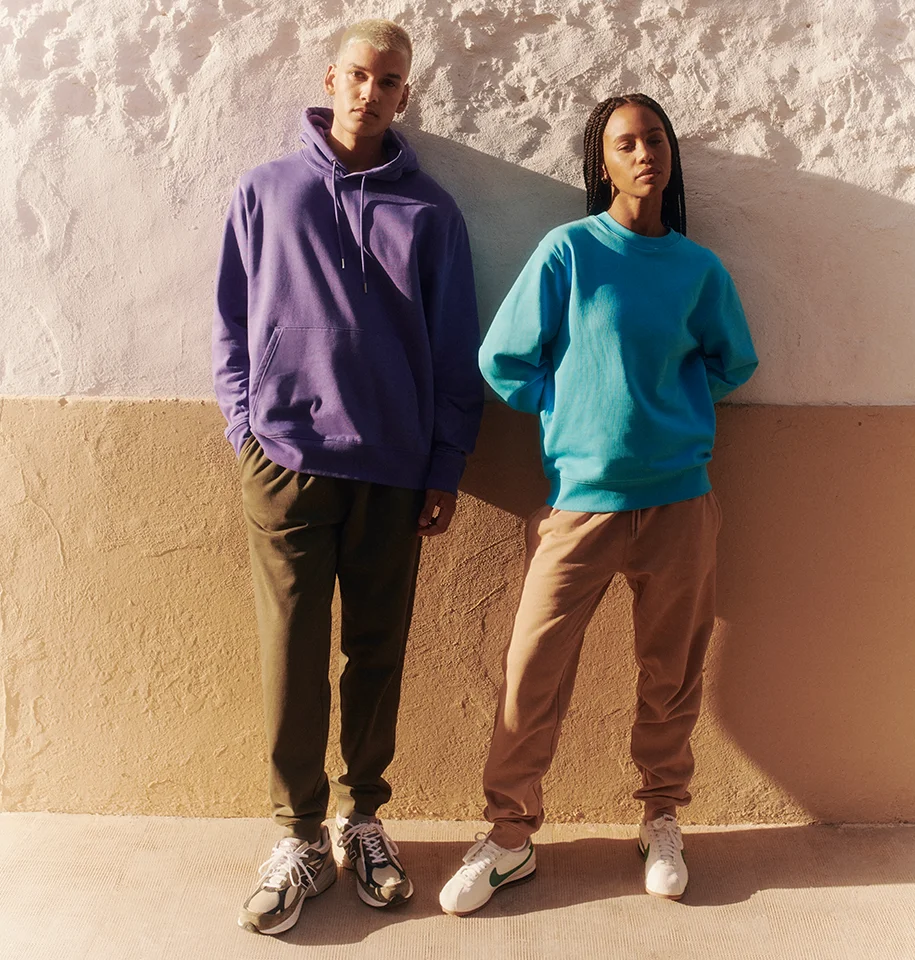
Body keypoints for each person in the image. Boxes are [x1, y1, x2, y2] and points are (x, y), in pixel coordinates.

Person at [439, 94, 758, 916]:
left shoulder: (698, 269)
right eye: (626, 143)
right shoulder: (569, 252)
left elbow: (733, 361)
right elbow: (504, 358)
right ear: (602, 162)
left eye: (655, 139)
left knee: (672, 672)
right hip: (580, 503)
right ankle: (510, 837)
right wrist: (569, 404)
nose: (645, 153)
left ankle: (660, 818)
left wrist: (675, 411)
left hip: (680, 501)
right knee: (532, 670)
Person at [212, 19, 484, 934]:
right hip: (285, 464)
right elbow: (229, 322)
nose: (372, 92)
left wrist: (444, 463)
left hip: (395, 470)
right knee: (290, 651)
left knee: (376, 650)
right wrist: (246, 430)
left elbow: (454, 351)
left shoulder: (432, 214)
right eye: (359, 75)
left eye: (390, 80)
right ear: (331, 78)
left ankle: (364, 817)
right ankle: (296, 835)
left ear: (406, 95)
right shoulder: (267, 192)